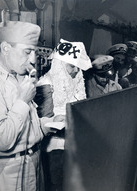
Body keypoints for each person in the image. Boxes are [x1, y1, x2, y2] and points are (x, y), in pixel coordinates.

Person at [0, 21, 63, 191]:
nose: (32, 60)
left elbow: (27, 128)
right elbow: (2, 141)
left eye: (34, 52)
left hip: (33, 164)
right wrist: (22, 102)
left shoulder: (18, 75)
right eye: (27, 52)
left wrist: (47, 124)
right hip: (7, 172)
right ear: (6, 48)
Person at [35, 39, 92, 191]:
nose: (76, 71)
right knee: (56, 184)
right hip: (54, 149)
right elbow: (44, 123)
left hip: (73, 145)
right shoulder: (46, 84)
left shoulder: (76, 80)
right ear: (60, 65)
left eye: (78, 67)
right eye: (72, 66)